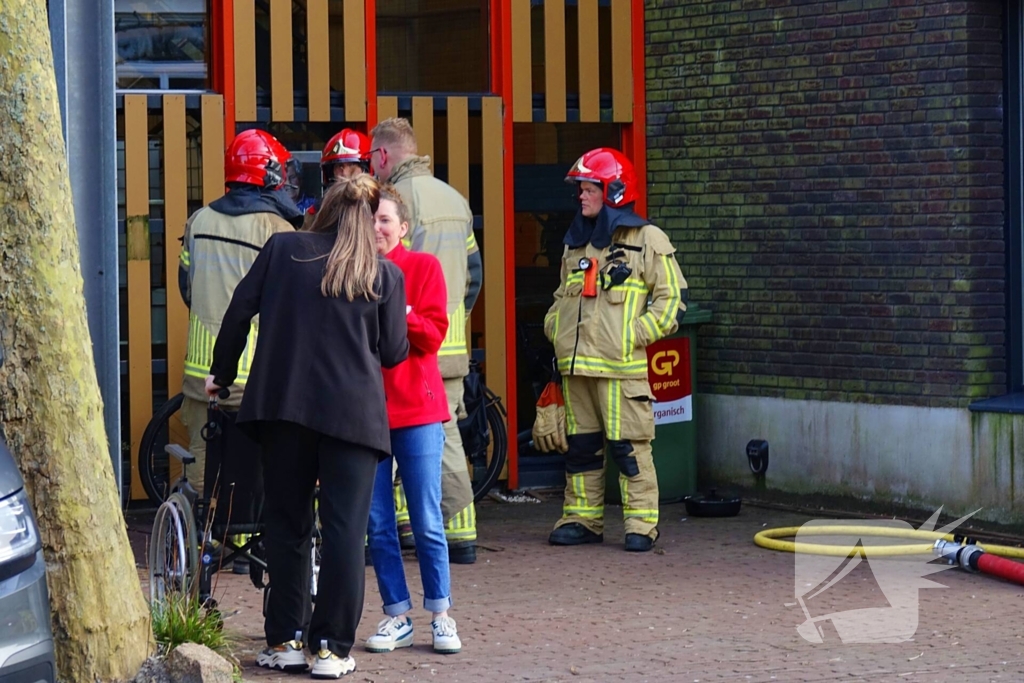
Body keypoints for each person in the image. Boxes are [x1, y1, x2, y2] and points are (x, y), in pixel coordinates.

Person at [206, 175, 409, 678]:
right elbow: (393, 352)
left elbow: (237, 314)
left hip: (284, 409)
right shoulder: (382, 275)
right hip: (353, 417)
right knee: (344, 533)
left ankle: (285, 640)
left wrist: (223, 373)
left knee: (287, 525)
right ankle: (332, 649)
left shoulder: (283, 249)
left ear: (324, 209)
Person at [536, 147, 686, 553]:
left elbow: (670, 300)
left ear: (614, 191)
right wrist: (557, 328)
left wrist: (634, 335)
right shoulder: (575, 243)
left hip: (622, 370)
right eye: (581, 190)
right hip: (577, 370)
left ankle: (641, 524)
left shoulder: (647, 239)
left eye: (589, 189)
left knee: (629, 449)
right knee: (581, 451)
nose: (581, 196)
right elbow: (559, 298)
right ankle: (582, 519)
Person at [370, 117, 483, 564]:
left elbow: (393, 270)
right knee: (445, 438)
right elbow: (474, 276)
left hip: (409, 342)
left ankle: (413, 529)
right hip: (448, 339)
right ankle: (461, 532)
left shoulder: (399, 204)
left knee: (400, 439)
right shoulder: (454, 199)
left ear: (382, 156)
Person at [177, 128, 302, 511]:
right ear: (269, 174)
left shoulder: (198, 222)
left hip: (204, 374)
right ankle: (248, 545)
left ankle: (205, 541)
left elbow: (187, 287)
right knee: (259, 467)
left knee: (203, 458)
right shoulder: (279, 230)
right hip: (262, 379)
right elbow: (293, 304)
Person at [364, 186, 462, 655]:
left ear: (403, 228)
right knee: (378, 521)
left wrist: (397, 310)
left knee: (425, 517)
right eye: (370, 220)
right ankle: (396, 614)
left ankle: (441, 614)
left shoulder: (423, 267)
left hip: (418, 410)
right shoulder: (353, 272)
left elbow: (432, 335)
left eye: (385, 220)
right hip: (367, 414)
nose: (376, 229)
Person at [303, 128, 372, 229]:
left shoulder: (380, 207)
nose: (344, 172)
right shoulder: (316, 212)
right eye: (339, 166)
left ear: (366, 169)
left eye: (351, 165)